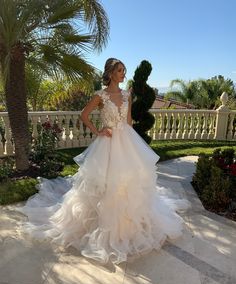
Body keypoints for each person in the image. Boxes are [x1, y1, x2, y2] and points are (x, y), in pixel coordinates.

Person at [18, 58, 189, 265]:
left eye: (124, 70)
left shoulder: (127, 94)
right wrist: (98, 131)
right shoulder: (100, 95)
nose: (123, 74)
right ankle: (104, 225)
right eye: (119, 70)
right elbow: (84, 115)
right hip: (107, 142)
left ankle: (128, 225)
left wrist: (133, 143)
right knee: (105, 183)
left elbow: (128, 122)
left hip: (126, 140)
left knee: (129, 182)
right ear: (110, 73)